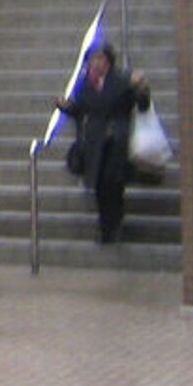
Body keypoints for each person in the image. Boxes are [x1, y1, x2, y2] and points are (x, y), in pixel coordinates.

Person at [57, 42, 151, 244]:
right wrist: (65, 107)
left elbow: (142, 105)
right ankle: (105, 227)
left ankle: (115, 224)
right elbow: (80, 111)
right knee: (100, 186)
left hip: (117, 142)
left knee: (113, 184)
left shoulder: (122, 81)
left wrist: (141, 88)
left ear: (109, 60)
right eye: (93, 59)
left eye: (100, 58)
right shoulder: (85, 85)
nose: (96, 63)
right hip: (95, 143)